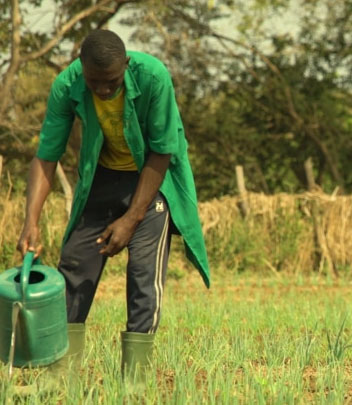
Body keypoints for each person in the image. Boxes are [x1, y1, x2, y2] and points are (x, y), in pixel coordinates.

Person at [16, 29, 210, 386]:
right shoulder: (67, 85)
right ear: (81, 68)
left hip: (151, 180)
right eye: (95, 82)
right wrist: (31, 221)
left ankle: (134, 382)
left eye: (113, 82)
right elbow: (47, 155)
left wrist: (132, 219)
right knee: (73, 269)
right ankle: (61, 376)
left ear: (126, 65)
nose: (104, 90)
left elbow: (162, 149)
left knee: (142, 278)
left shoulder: (153, 77)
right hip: (101, 179)